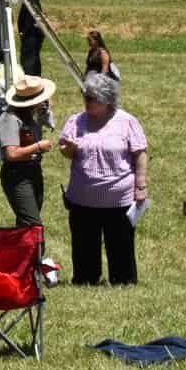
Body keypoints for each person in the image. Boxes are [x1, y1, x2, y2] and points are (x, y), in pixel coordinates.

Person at [58, 71, 148, 286]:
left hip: (119, 198)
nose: (87, 102)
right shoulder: (76, 121)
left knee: (120, 243)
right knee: (83, 244)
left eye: (92, 98)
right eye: (85, 97)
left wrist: (141, 186)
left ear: (107, 100)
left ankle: (123, 281)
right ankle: (86, 279)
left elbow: (140, 154)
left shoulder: (126, 122)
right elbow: (65, 151)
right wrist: (69, 149)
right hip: (82, 198)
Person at [0, 75, 57, 227]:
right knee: (32, 223)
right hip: (17, 175)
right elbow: (11, 154)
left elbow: (49, 119)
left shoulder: (31, 115)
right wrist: (38, 147)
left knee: (27, 222)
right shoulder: (9, 119)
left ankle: (23, 250)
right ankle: (36, 251)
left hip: (33, 170)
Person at [17, 0, 45, 77]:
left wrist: (23, 32)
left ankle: (30, 76)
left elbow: (29, 19)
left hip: (31, 36)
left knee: (29, 59)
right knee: (33, 57)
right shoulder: (32, 0)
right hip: (32, 35)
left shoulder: (31, 1)